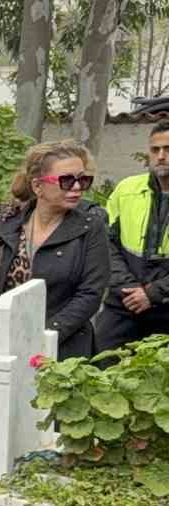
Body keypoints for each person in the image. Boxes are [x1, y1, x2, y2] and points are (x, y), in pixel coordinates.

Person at [0, 142, 109, 432]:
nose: (77, 187)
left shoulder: (91, 224)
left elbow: (91, 293)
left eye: (83, 179)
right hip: (4, 350)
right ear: (38, 186)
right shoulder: (5, 221)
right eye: (67, 181)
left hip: (63, 354)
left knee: (51, 443)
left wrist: (43, 339)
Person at [95, 122, 169, 352]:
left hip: (165, 303)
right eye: (155, 149)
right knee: (101, 366)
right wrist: (129, 288)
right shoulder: (127, 189)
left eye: (168, 149)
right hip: (124, 299)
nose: (161, 156)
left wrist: (153, 293)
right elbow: (106, 243)